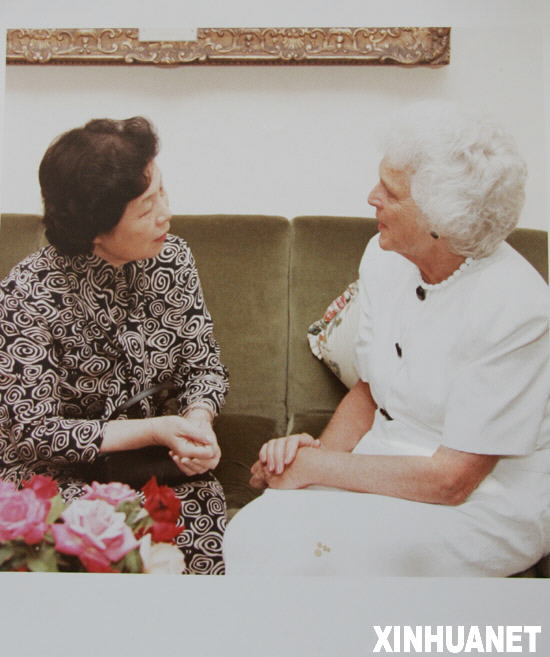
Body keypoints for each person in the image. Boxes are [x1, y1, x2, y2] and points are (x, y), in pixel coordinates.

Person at [223, 102, 550, 576]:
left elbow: (453, 481)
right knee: (254, 531)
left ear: (443, 219)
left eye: (391, 192)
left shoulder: (516, 306)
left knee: (318, 560)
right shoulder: (384, 257)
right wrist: (308, 459)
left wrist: (315, 469)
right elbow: (370, 390)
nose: (371, 197)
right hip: (383, 462)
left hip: (481, 502)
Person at [0, 116, 229, 574]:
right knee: (108, 547)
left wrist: (197, 423)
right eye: (146, 209)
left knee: (199, 518)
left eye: (162, 192)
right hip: (55, 478)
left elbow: (204, 368)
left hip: (151, 468)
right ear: (95, 229)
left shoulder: (174, 259)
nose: (165, 213)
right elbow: (35, 433)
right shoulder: (27, 295)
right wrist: (155, 430)